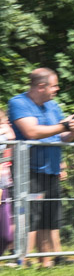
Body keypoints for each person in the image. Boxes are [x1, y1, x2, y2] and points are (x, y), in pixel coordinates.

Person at [8, 68, 74, 267]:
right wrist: (63, 126)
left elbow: (61, 137)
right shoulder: (19, 102)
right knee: (30, 216)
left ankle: (47, 262)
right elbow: (31, 132)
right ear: (41, 86)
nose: (57, 89)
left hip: (51, 170)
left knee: (50, 217)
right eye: (54, 85)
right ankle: (21, 262)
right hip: (29, 170)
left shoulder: (53, 106)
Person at [0, 110, 13, 257]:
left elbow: (12, 137)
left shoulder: (5, 131)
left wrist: (5, 128)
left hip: (3, 185)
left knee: (6, 236)